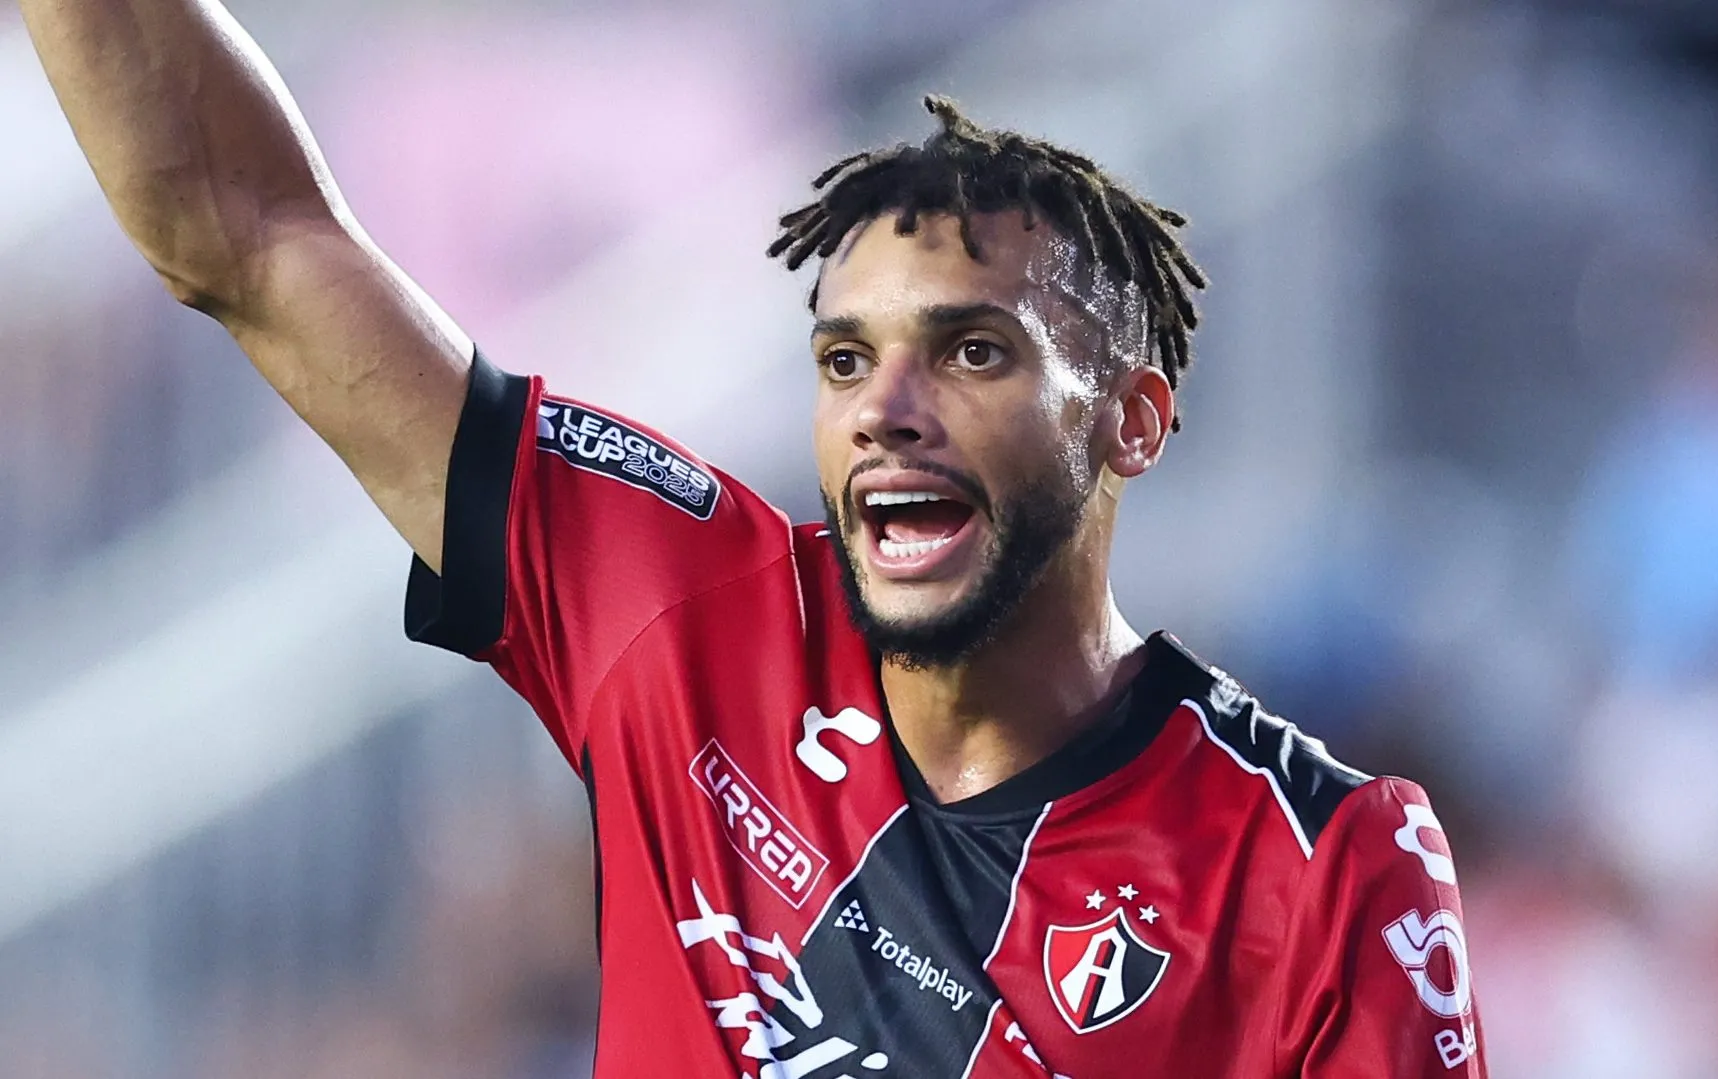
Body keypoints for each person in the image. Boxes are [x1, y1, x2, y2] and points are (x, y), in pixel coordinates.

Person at [21, 2, 1485, 1075]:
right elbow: (246, 235)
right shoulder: (688, 606)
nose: (889, 411)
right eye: (847, 360)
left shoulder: (1324, 869)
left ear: (1132, 423)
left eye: (972, 353)